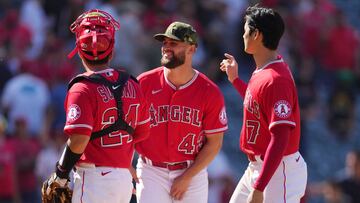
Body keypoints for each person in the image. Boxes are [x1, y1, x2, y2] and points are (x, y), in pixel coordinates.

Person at [42, 9, 150, 203]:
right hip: (123, 179)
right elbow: (141, 133)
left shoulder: (82, 87)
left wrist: (61, 171)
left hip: (94, 179)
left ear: (79, 48)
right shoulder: (132, 83)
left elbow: (79, 139)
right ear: (112, 47)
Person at [220, 5, 307, 203]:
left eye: (245, 30)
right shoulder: (265, 69)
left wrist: (259, 188)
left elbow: (280, 139)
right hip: (259, 167)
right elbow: (257, 104)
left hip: (279, 170)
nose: (242, 35)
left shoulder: (277, 79)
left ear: (256, 34)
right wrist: (235, 80)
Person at [136, 21, 228, 203]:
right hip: (151, 170)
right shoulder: (143, 84)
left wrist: (186, 177)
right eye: (165, 43)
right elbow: (127, 130)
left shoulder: (209, 91)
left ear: (191, 49)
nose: (166, 48)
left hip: (192, 172)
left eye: (174, 43)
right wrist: (127, 167)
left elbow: (214, 144)